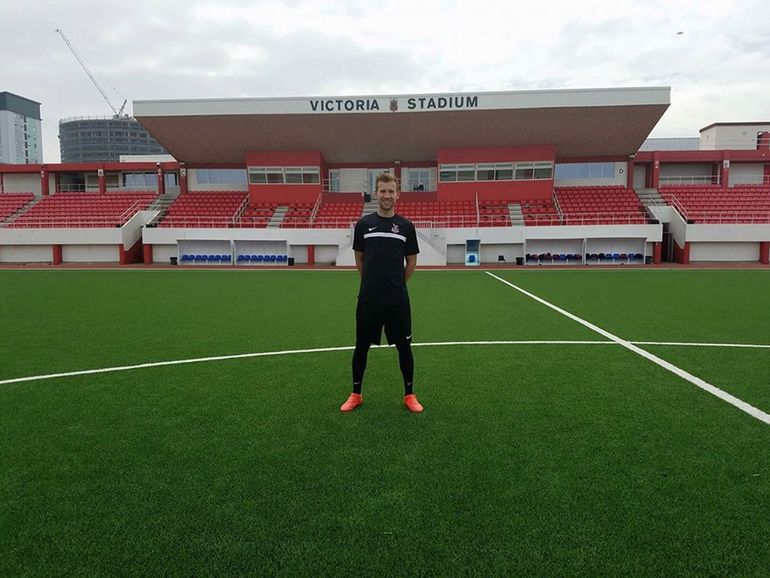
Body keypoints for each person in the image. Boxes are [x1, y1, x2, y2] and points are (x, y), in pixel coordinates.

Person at [340, 172, 423, 413]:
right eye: (382, 191)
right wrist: (372, 285)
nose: (387, 195)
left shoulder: (406, 227)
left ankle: (409, 395)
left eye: (391, 191)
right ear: (376, 193)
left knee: (404, 348)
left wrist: (395, 285)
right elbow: (360, 261)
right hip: (368, 300)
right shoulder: (363, 225)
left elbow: (412, 264)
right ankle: (356, 393)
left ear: (397, 194)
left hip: (397, 301)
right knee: (361, 346)